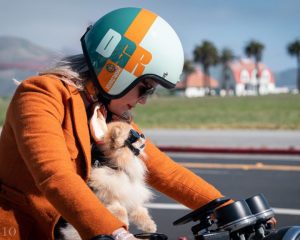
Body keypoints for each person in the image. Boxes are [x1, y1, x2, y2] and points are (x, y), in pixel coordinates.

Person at [0, 7, 225, 240]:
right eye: (144, 88)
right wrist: (117, 233)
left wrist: (223, 207)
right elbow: (55, 176)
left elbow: (165, 172)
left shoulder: (107, 113)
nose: (143, 101)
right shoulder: (41, 95)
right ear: (119, 72)